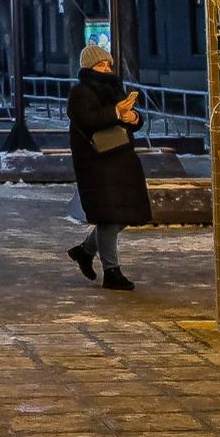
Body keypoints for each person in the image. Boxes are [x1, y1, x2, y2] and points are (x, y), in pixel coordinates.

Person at [64, 41, 149, 290]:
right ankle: (112, 271)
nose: (105, 68)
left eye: (107, 64)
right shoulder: (80, 92)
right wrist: (116, 113)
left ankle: (85, 251)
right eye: (100, 64)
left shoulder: (113, 87)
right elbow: (86, 119)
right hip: (96, 162)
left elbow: (128, 118)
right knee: (109, 217)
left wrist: (134, 118)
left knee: (124, 213)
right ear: (90, 66)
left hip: (120, 158)